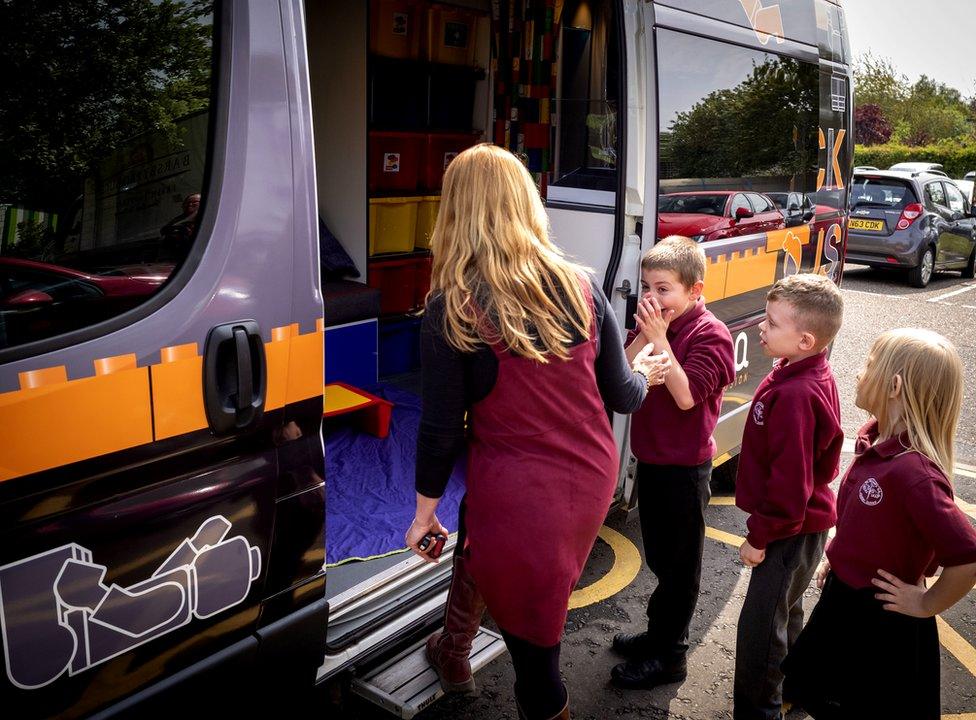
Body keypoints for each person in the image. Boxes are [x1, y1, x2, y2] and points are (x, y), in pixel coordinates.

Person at [404, 143, 671, 720]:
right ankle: (453, 650)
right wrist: (644, 370)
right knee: (483, 537)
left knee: (536, 663)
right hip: (587, 476)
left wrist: (424, 515)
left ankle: (500, 679)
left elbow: (441, 430)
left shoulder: (452, 307)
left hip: (527, 493)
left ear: (457, 212)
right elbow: (623, 395)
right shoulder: (580, 283)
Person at [783, 328, 976, 719]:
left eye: (868, 365)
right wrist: (836, 559)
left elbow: (968, 557)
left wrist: (926, 603)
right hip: (845, 601)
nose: (858, 371)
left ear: (894, 386)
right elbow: (865, 522)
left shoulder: (913, 473)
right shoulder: (874, 442)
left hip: (881, 624)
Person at [609, 236, 735, 689]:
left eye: (664, 289)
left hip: (685, 469)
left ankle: (671, 656)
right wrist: (645, 334)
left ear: (695, 290)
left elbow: (685, 397)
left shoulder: (710, 334)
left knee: (681, 568)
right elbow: (618, 379)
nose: (651, 298)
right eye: (646, 287)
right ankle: (657, 635)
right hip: (653, 461)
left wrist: (660, 339)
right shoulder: (655, 328)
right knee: (661, 558)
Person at [733, 273, 845, 720]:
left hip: (788, 531)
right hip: (805, 526)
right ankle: (796, 689)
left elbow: (788, 486)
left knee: (761, 631)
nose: (762, 326)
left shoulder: (797, 394)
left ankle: (760, 711)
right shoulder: (802, 370)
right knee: (787, 610)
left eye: (772, 322)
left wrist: (759, 538)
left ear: (804, 339)